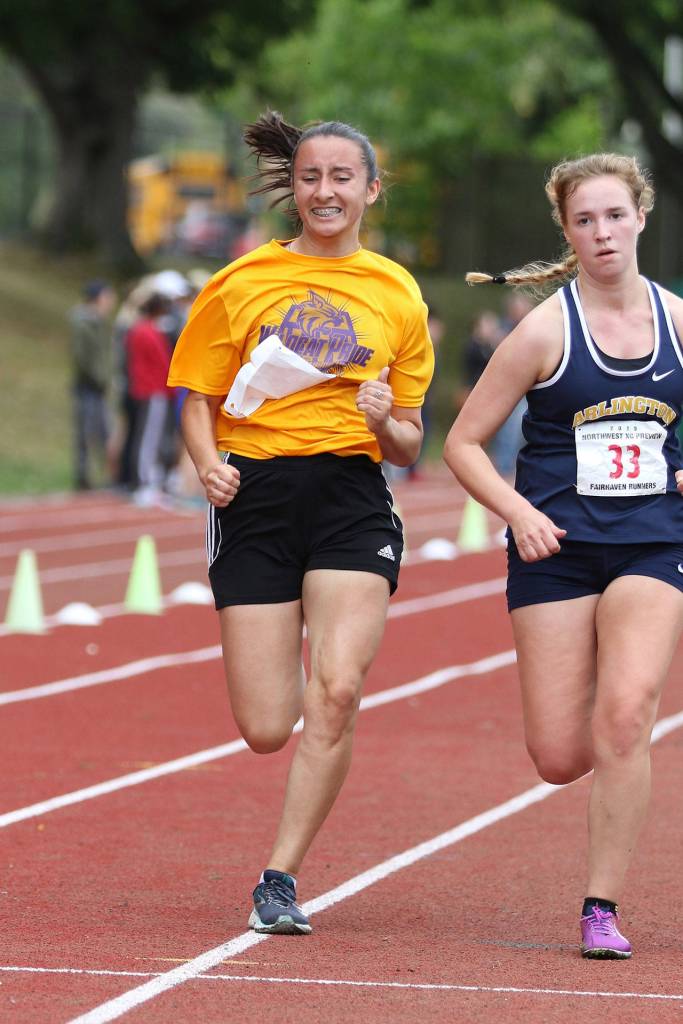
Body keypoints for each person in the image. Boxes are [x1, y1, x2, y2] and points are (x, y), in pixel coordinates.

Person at [167, 111, 434, 935]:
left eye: (342, 177)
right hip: (255, 495)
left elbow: (409, 441)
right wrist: (206, 462)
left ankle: (278, 878)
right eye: (312, 177)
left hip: (351, 495)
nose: (326, 190)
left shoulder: (396, 292)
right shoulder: (240, 282)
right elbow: (196, 399)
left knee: (339, 689)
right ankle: (279, 825)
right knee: (262, 728)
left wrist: (387, 418)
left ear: (369, 189)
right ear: (296, 188)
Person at [443, 153, 683, 959]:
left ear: (640, 217)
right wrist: (515, 513)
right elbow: (463, 443)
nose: (601, 233)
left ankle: (600, 908)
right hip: (558, 548)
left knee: (625, 716)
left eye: (614, 215)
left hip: (654, 541)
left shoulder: (678, 321)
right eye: (584, 221)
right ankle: (602, 740)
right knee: (556, 755)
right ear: (567, 233)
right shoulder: (544, 329)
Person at [126, 292, 173, 504]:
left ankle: (147, 480)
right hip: (153, 390)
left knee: (145, 436)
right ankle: (144, 483)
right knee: (148, 438)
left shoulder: (138, 330)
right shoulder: (150, 332)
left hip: (144, 389)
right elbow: (162, 363)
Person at [69, 279, 116, 490]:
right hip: (88, 386)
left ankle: (104, 476)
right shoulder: (83, 322)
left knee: (103, 432)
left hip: (98, 386)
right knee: (86, 432)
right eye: (107, 297)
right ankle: (83, 476)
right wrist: (100, 378)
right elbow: (83, 357)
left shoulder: (98, 321)